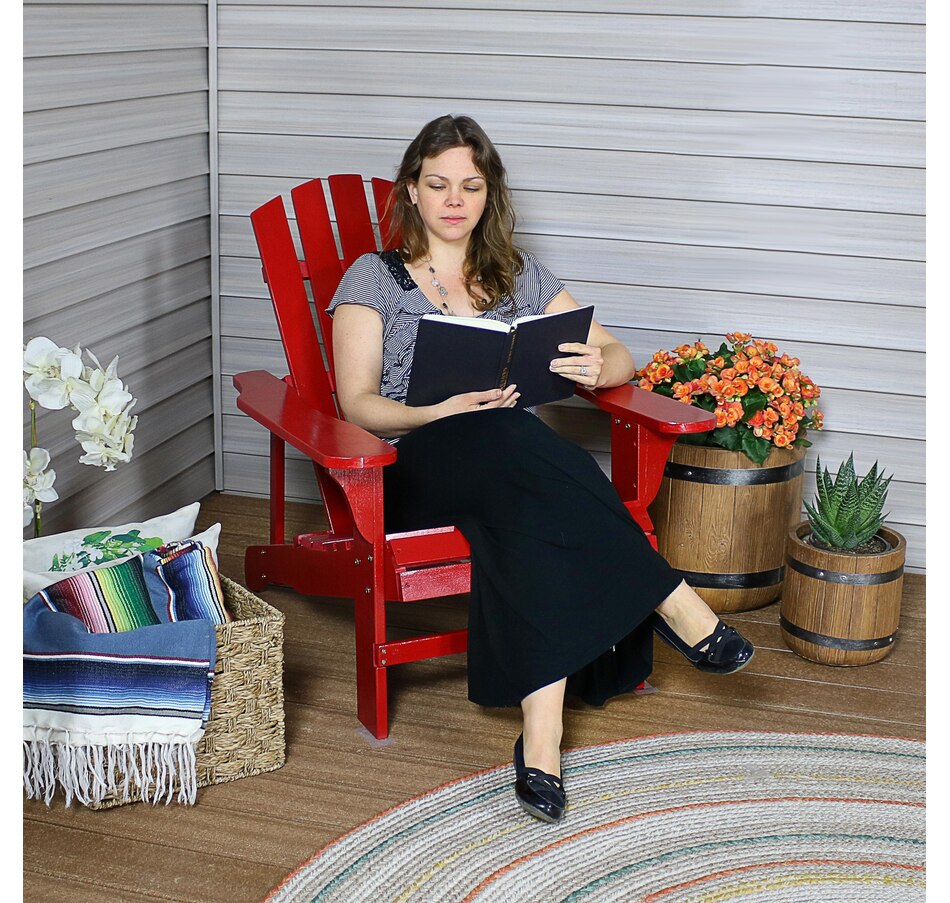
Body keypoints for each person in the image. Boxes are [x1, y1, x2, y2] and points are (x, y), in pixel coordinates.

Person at [328, 115, 754, 824]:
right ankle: (672, 600)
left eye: (471, 186)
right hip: (409, 466)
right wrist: (437, 412)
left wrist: (599, 366)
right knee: (511, 436)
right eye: (438, 184)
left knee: (521, 498)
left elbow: (617, 354)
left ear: (489, 194)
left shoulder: (516, 274)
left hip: (511, 476)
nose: (454, 200)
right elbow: (357, 402)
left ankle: (542, 739)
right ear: (411, 191)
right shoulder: (374, 276)